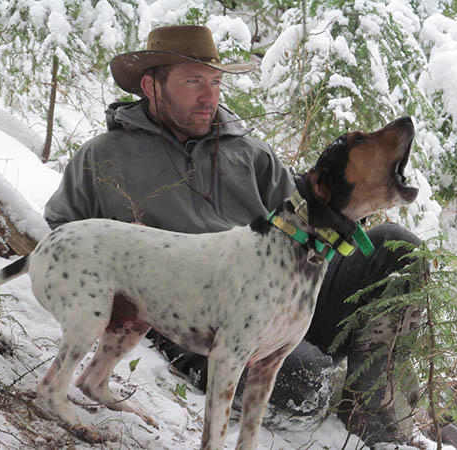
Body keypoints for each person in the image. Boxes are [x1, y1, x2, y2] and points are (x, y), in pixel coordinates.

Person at [44, 25, 422, 448]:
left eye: (216, 82)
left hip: (286, 286)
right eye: (193, 82)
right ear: (151, 86)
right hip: (193, 314)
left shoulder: (252, 154)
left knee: (397, 246)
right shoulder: (103, 155)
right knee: (303, 378)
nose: (209, 95)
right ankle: (325, 387)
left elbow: (309, 216)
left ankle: (370, 405)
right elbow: (63, 239)